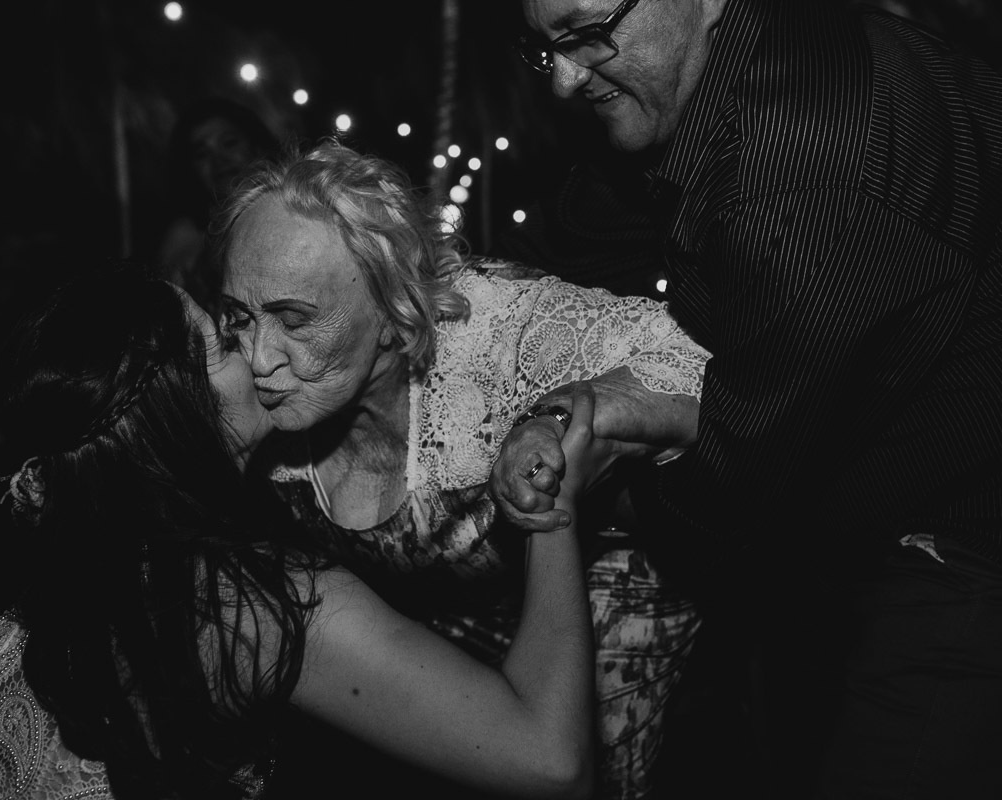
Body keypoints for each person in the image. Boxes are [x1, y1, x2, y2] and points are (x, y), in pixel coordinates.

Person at [504, 0, 1002, 797]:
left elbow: (741, 488)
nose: (567, 79)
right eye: (547, 50)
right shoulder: (770, 50)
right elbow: (590, 220)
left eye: (586, 33)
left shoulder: (794, 169)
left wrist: (622, 469)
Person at [0, 262, 605, 800]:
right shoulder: (237, 602)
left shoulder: (76, 545)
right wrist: (546, 500)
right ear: (177, 412)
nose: (251, 343)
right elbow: (549, 759)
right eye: (220, 340)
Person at [214, 139, 711, 799]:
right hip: (447, 644)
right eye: (240, 318)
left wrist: (553, 423)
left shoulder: (492, 335)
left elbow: (692, 359)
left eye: (293, 320)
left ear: (394, 314)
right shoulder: (250, 390)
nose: (256, 356)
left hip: (596, 626)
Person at [157, 97, 281, 315]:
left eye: (229, 143)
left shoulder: (289, 214)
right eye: (202, 154)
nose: (218, 159)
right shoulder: (187, 238)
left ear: (256, 147)